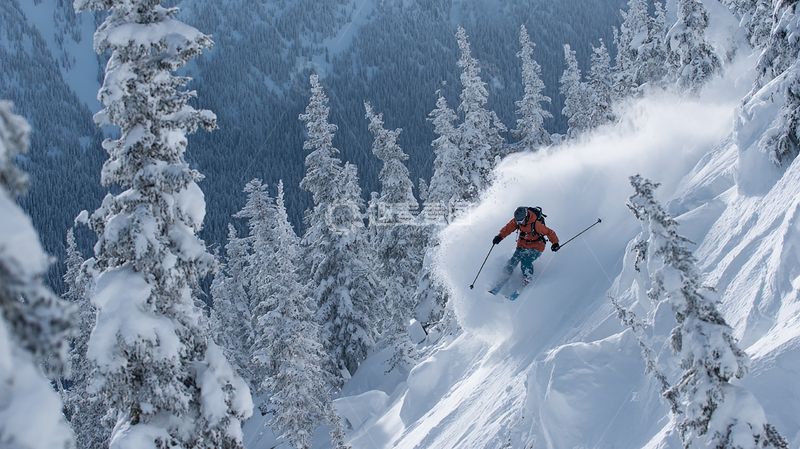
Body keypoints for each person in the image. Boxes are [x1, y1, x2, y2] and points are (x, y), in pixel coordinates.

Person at [491, 206, 559, 289]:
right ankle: (503, 277)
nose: (519, 223)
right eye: (517, 221)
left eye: (520, 221)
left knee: (525, 261)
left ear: (525, 217)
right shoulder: (517, 220)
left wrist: (555, 243)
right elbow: (508, 228)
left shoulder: (536, 224)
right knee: (513, 261)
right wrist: (500, 236)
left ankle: (527, 278)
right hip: (522, 245)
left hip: (536, 246)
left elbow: (549, 232)